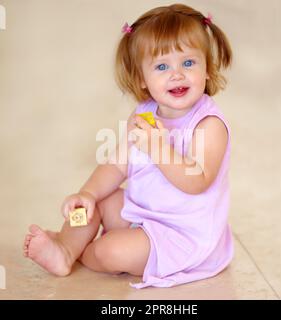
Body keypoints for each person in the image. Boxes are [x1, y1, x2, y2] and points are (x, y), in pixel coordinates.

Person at [23, 3, 234, 289]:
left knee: (110, 251)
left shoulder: (209, 125)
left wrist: (158, 147)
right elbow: (117, 164)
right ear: (142, 80)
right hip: (142, 214)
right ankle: (65, 250)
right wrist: (87, 192)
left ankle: (85, 250)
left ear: (207, 69)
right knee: (97, 200)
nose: (177, 74)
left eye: (188, 62)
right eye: (161, 66)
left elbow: (197, 181)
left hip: (183, 237)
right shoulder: (143, 114)